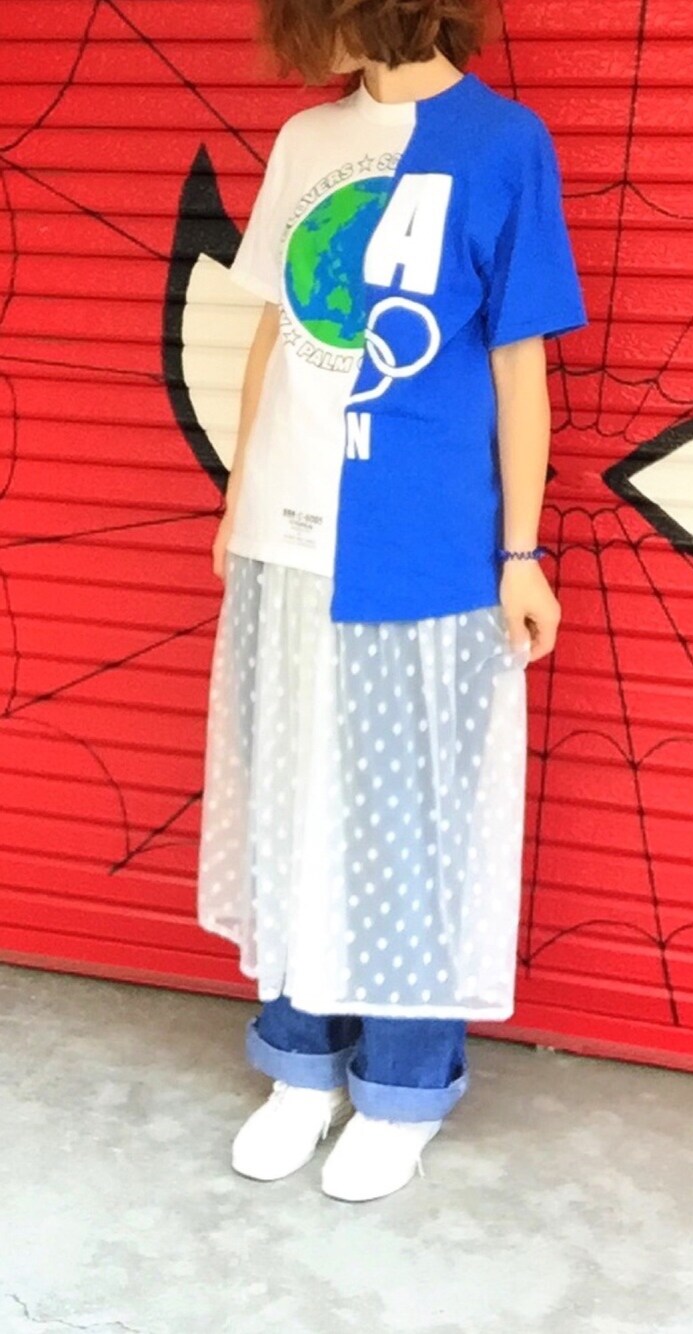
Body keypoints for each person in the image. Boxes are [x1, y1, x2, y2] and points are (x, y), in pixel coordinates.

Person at [196, 0, 587, 1202]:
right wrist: (238, 496)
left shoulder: (503, 143)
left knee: (412, 819)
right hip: (287, 534)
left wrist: (519, 551)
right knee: (290, 793)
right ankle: (299, 1065)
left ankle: (404, 1086)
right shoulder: (305, 142)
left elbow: (519, 364)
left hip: (422, 543)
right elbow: (277, 333)